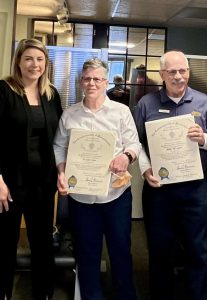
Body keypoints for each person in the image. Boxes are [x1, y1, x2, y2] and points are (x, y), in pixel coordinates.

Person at [134, 50, 207, 300]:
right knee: (160, 251)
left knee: (197, 251)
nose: (178, 76)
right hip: (159, 191)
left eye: (182, 70)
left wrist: (204, 138)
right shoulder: (146, 104)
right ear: (162, 74)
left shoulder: (204, 103)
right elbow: (136, 143)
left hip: (196, 190)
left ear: (188, 72)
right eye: (172, 71)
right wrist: (144, 168)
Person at [53, 58, 141, 300]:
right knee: (87, 254)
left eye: (97, 78)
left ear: (106, 81)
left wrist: (126, 156)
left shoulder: (121, 112)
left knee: (121, 252)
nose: (92, 83)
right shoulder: (70, 114)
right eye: (87, 78)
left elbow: (135, 144)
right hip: (81, 199)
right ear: (81, 82)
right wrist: (61, 170)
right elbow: (59, 147)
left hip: (116, 196)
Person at [0, 38, 62, 300]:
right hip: (9, 184)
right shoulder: (4, 90)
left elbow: (60, 137)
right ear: (18, 62)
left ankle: (43, 294)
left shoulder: (51, 94)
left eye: (39, 59)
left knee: (42, 244)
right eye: (28, 58)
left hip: (42, 184)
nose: (34, 64)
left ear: (45, 63)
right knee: (4, 244)